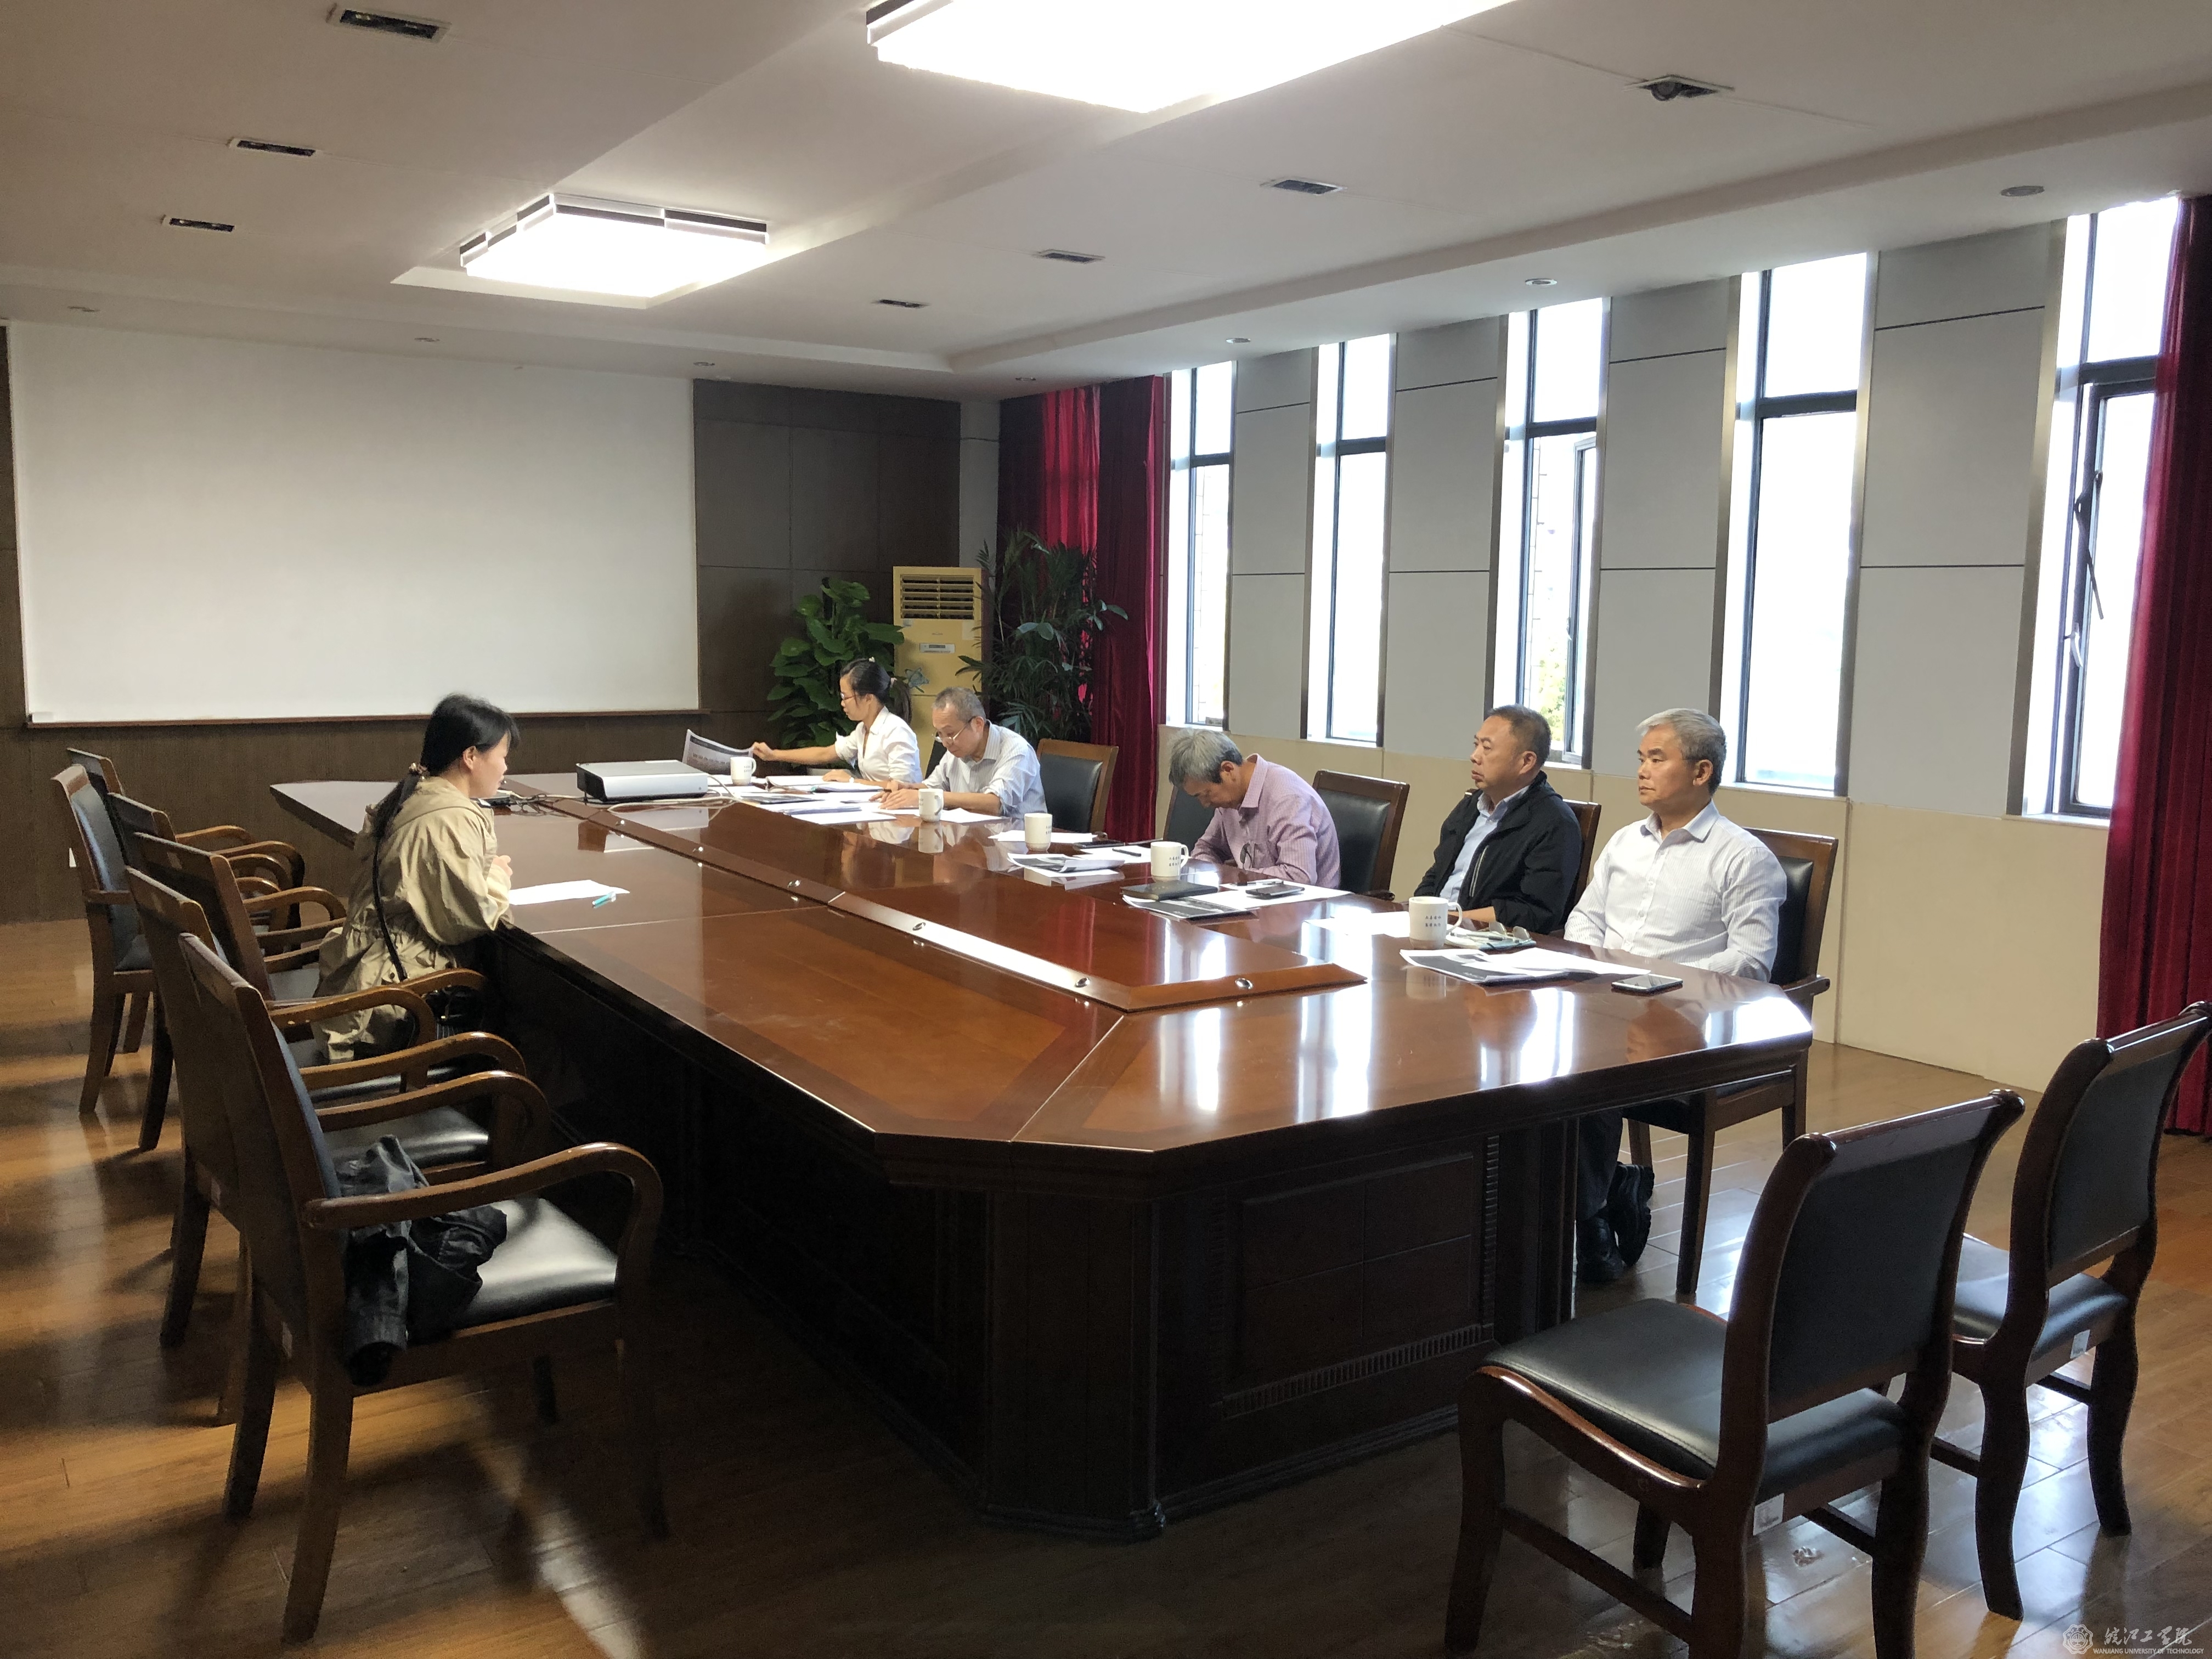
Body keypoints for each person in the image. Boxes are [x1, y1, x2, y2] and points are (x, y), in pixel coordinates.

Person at [1562, 707, 1787, 1285]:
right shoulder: (1624, 842)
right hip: (1604, 1001)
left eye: (1657, 759)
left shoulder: (1742, 857)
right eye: (1641, 758)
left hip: (1688, 1021)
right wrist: (1602, 967)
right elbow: (1584, 919)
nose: (1641, 770)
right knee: (1522, 1057)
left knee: (1585, 1075)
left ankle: (1587, 1221)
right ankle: (1590, 1192)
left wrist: (1658, 979)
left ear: (1701, 771)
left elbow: (1751, 961)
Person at [314, 693, 519, 1062]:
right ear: (471, 756)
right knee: (526, 1022)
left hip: (364, 975)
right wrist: (498, 877)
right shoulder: (447, 818)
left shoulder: (418, 792)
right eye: (502, 756)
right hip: (396, 1000)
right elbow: (466, 919)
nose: (506, 767)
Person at [1410, 704, 1583, 930]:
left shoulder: (1555, 823)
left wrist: (1450, 920)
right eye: (1476, 745)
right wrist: (1421, 912)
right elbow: (1437, 874)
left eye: (1487, 748)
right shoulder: (1472, 805)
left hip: (1487, 939)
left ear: (1526, 762)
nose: (1474, 756)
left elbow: (1535, 912)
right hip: (1437, 927)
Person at [1170, 729, 1341, 887]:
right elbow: (1206, 848)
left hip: (1308, 904)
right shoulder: (1230, 801)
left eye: (1206, 794)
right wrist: (1213, 874)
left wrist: (1237, 878)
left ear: (1228, 770)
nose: (1205, 804)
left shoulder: (1286, 798)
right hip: (1255, 899)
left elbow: (1299, 875)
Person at [879, 686, 1045, 818]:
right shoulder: (956, 750)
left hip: (1018, 842)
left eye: (950, 734)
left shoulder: (1016, 750)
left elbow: (994, 803)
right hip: (971, 838)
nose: (946, 743)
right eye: (940, 734)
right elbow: (932, 786)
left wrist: (929, 796)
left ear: (978, 724)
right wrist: (908, 789)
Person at [749, 659, 920, 786]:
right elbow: (825, 754)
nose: (842, 703)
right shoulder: (862, 730)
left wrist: (852, 782)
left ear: (868, 698)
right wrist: (774, 755)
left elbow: (901, 787)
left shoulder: (896, 731)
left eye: (846, 697)